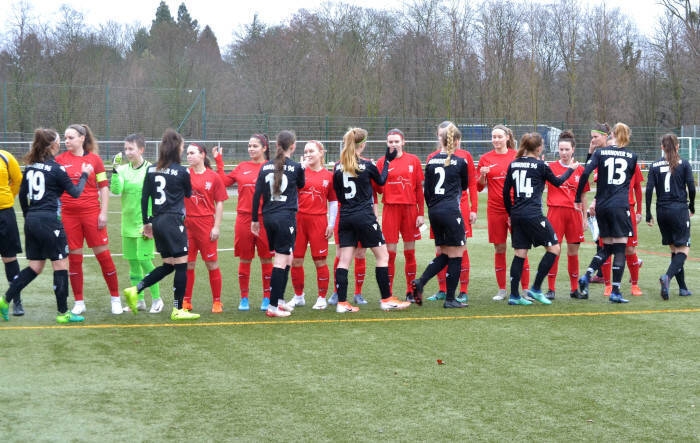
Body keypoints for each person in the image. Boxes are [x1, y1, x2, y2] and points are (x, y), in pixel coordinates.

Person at [0, 128, 92, 323]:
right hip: (49, 221)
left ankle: (5, 298)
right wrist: (84, 174)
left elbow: (23, 196)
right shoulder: (57, 169)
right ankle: (63, 313)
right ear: (53, 145)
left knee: (35, 266)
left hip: (32, 220)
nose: (61, 143)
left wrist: (29, 216)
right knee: (60, 264)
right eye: (59, 140)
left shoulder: (30, 167)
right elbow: (75, 192)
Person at [123, 129, 200, 320]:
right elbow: (188, 194)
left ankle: (135, 289)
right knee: (182, 265)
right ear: (176, 148)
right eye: (182, 146)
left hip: (157, 221)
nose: (183, 150)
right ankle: (178, 309)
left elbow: (144, 198)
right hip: (173, 221)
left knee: (169, 265)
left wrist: (146, 223)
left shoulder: (151, 169)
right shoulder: (182, 171)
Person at [332, 127, 410, 313]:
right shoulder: (367, 165)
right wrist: (387, 162)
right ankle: (386, 299)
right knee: (383, 256)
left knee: (344, 260)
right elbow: (381, 182)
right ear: (363, 144)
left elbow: (338, 192)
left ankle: (342, 303)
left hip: (346, 216)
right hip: (364, 216)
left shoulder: (337, 166)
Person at [502, 132, 576, 306]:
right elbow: (557, 182)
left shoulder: (514, 164)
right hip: (533, 214)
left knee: (520, 253)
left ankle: (514, 295)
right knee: (554, 248)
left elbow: (505, 193)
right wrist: (571, 169)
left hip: (517, 214)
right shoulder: (540, 165)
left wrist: (510, 213)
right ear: (538, 148)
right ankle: (536, 288)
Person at [56, 124, 122, 315]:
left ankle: (115, 299)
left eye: (71, 137)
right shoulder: (59, 160)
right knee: (74, 260)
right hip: (69, 216)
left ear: (82, 138)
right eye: (65, 138)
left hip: (92, 214)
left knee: (104, 257)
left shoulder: (95, 160)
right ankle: (79, 302)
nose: (67, 141)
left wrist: (104, 212)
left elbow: (103, 187)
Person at [575, 122, 638, 303]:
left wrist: (578, 197)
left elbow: (585, 172)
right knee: (620, 249)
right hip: (620, 206)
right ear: (627, 136)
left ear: (612, 135)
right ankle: (615, 291)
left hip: (602, 206)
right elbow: (628, 182)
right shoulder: (632, 156)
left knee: (607, 247)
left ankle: (587, 275)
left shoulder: (600, 153)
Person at [411, 123, 469, 308]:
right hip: (451, 211)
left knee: (444, 252)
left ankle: (420, 282)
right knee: (457, 254)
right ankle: (450, 299)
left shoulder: (431, 161)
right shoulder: (461, 162)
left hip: (435, 212)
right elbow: (465, 186)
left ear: (441, 140)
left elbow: (427, 191)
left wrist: (433, 209)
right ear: (457, 141)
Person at [213, 134, 273, 311]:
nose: (251, 149)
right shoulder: (242, 167)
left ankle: (267, 297)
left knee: (266, 258)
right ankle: (244, 298)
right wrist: (219, 162)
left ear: (264, 148)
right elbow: (223, 182)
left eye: (255, 146)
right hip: (244, 219)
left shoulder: (271, 167)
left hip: (265, 219)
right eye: (249, 146)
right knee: (245, 259)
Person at [251, 130, 305, 318]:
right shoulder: (296, 167)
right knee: (281, 260)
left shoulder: (265, 166)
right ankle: (273, 306)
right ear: (293, 146)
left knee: (287, 256)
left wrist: (254, 219)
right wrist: (302, 168)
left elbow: (256, 195)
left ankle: (280, 300)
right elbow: (302, 185)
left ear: (276, 145)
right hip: (285, 218)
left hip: (269, 217)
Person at [110, 134, 163, 313]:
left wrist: (153, 221)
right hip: (128, 223)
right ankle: (139, 300)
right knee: (133, 263)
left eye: (131, 148)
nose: (128, 152)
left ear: (141, 149)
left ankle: (157, 299)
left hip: (145, 224)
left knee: (145, 260)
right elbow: (116, 190)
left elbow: (157, 197)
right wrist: (114, 171)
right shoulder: (123, 170)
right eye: (126, 149)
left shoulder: (151, 169)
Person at [426, 121, 478, 304]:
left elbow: (471, 183)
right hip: (444, 208)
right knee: (440, 249)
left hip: (458, 208)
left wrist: (473, 208)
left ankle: (463, 290)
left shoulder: (465, 156)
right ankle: (443, 290)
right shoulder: (432, 157)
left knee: (461, 249)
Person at [477, 125, 530, 301]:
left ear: (507, 137)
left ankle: (525, 289)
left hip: (516, 208)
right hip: (495, 209)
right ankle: (502, 289)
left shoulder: (517, 156)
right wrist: (482, 176)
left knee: (521, 248)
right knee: (499, 248)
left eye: (499, 136)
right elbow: (479, 187)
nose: (496, 140)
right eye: (494, 137)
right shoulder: (485, 158)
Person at [374, 129, 424, 302]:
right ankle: (388, 293)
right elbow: (377, 189)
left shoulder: (413, 160)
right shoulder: (382, 162)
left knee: (410, 253)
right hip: (390, 209)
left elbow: (419, 189)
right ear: (387, 143)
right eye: (390, 142)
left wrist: (421, 213)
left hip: (409, 210)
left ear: (403, 142)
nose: (393, 144)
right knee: (390, 253)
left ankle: (411, 291)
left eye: (396, 141)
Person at [646, 133, 695, 300]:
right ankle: (667, 277)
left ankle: (683, 288)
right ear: (677, 146)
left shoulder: (654, 165)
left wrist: (648, 213)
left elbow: (649, 189)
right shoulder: (684, 164)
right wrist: (691, 205)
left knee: (675, 249)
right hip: (678, 210)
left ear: (662, 147)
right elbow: (691, 188)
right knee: (684, 250)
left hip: (662, 211)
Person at [289, 140, 338, 310]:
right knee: (296, 260)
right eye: (305, 151)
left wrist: (331, 224)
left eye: (311, 151)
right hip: (299, 220)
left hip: (318, 221)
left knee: (320, 261)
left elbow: (333, 201)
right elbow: (290, 195)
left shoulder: (329, 176)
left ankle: (321, 298)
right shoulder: (299, 172)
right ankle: (298, 296)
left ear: (321, 153)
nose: (308, 154)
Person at [183, 143, 228, 313]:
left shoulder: (213, 177)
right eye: (187, 153)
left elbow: (220, 202)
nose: (189, 156)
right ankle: (186, 301)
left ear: (202, 155)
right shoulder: (184, 174)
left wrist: (216, 227)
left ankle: (217, 301)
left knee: (211, 263)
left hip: (206, 224)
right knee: (188, 263)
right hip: (187, 225)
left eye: (192, 153)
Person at [545, 130, 588, 300]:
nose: (564, 153)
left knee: (573, 252)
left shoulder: (580, 170)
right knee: (554, 250)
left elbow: (583, 195)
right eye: (561, 149)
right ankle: (551, 289)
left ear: (573, 149)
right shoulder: (550, 168)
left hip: (574, 214)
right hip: (555, 213)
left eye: (567, 149)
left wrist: (585, 218)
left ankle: (574, 289)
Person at [586, 123, 611, 285]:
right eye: (591, 137)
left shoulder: (608, 154)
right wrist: (590, 152)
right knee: (600, 238)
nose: (593, 140)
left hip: (610, 202)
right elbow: (586, 172)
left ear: (605, 136)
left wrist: (596, 201)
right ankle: (601, 273)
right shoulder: (598, 154)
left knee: (611, 240)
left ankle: (634, 262)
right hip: (602, 199)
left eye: (595, 137)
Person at [0, 148, 23, 315]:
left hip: (5, 214)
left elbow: (18, 179)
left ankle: (16, 300)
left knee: (9, 258)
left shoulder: (5, 156)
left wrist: (8, 197)